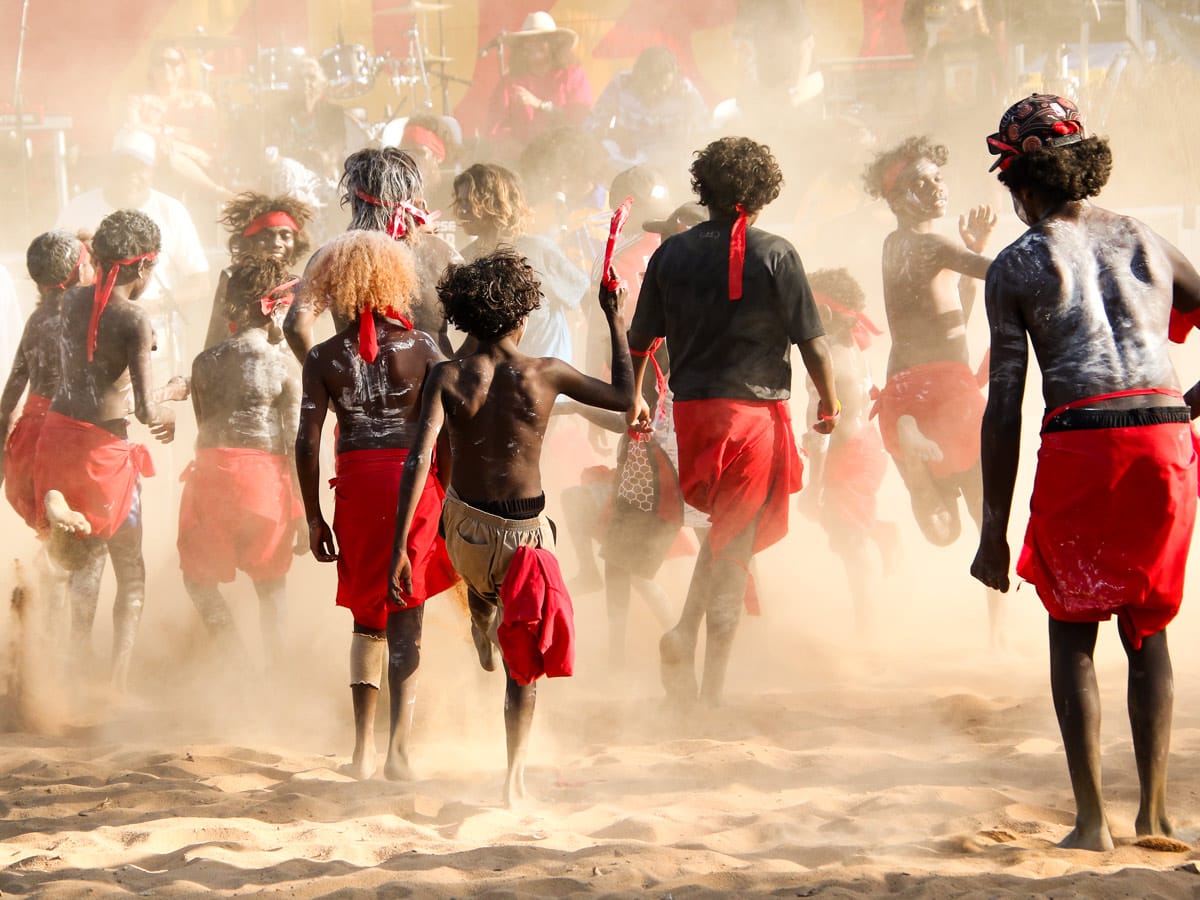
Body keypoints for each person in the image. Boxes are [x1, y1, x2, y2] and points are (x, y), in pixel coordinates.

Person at [971, 94, 1200, 852]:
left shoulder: (1019, 264)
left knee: (1073, 632)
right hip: (1164, 442)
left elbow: (1005, 406)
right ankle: (1157, 812)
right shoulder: (1145, 238)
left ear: (1023, 183)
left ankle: (1094, 821)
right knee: (1148, 628)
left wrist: (993, 535)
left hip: (1083, 440)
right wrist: (1185, 407)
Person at [388, 247, 634, 806]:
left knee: (485, 592)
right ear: (525, 316)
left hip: (465, 530)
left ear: (461, 316)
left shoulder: (446, 376)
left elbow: (418, 459)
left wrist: (402, 544)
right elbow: (624, 400)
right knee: (523, 664)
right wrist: (614, 319)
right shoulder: (544, 374)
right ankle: (514, 778)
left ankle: (481, 614)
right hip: (527, 538)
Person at [627, 136, 838, 706]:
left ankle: (679, 633)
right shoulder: (778, 252)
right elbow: (813, 345)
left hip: (693, 417)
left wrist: (639, 398)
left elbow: (639, 340)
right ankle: (710, 696)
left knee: (721, 534)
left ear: (705, 188)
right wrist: (830, 402)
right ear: (764, 193)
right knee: (734, 547)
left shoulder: (669, 253)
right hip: (753, 420)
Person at [295, 230, 457, 781]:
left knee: (368, 618)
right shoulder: (425, 349)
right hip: (414, 486)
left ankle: (362, 751)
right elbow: (447, 434)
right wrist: (449, 496)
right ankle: (399, 753)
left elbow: (306, 439)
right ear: (397, 285)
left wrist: (314, 515)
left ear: (336, 288)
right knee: (406, 616)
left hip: (357, 488)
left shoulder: (321, 356)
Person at [863, 135, 1004, 644]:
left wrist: (971, 252)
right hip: (948, 393)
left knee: (940, 530)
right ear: (897, 198)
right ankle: (997, 633)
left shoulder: (897, 246)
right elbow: (1006, 277)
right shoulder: (930, 245)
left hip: (905, 396)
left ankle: (917, 458)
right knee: (987, 521)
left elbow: (952, 320)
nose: (936, 188)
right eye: (920, 183)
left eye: (937, 178)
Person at [32, 210, 179, 693]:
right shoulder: (135, 319)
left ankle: (73, 667)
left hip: (56, 439)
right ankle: (114, 683)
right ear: (143, 268)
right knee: (129, 571)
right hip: (102, 451)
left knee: (84, 560)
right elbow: (145, 410)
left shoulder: (67, 301)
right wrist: (175, 399)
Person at [179, 256, 304, 668]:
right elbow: (294, 445)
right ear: (273, 307)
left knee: (198, 581)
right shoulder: (283, 366)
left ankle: (235, 660)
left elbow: (204, 429)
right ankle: (277, 676)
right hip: (262, 484)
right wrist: (306, 516)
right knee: (271, 588)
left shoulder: (204, 362)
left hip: (211, 478)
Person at [284, 148, 460, 360]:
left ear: (354, 204)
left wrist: (324, 380)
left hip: (361, 390)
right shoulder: (441, 253)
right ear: (411, 200)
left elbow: (295, 327)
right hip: (433, 387)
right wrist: (455, 370)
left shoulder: (332, 256)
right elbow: (488, 321)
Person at [57, 130, 210, 372]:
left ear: (152, 171)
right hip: (87, 347)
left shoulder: (171, 210)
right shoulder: (79, 208)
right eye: (123, 166)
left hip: (154, 350)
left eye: (140, 167)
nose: (131, 175)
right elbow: (55, 273)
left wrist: (152, 307)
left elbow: (200, 281)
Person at [799, 268, 896, 637]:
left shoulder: (827, 359)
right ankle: (880, 534)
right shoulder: (850, 347)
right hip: (866, 447)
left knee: (850, 546)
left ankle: (866, 634)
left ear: (822, 314)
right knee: (848, 537)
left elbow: (822, 431)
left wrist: (814, 487)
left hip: (847, 455)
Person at [0, 231, 90, 530]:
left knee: (49, 528)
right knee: (91, 531)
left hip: (32, 435)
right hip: (75, 432)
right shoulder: (93, 318)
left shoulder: (36, 321)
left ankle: (46, 568)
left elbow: (10, 395)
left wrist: (4, 453)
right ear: (81, 272)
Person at [453, 163, 587, 363]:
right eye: (459, 201)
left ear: (495, 203)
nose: (461, 210)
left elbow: (584, 296)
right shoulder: (464, 259)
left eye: (469, 202)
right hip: (497, 380)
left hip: (548, 380)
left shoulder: (538, 251)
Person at [203, 192, 316, 349]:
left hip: (286, 367)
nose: (277, 243)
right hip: (240, 364)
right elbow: (215, 334)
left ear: (296, 241)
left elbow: (306, 339)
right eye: (266, 235)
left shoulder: (297, 284)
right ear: (250, 241)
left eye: (285, 235)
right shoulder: (232, 277)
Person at [486, 12, 594, 161]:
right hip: (522, 162)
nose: (533, 44)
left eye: (540, 39)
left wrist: (540, 105)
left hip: (566, 161)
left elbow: (581, 121)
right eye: (527, 40)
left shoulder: (573, 75)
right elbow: (496, 130)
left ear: (554, 44)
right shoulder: (509, 82)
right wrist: (520, 153)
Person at [586, 46, 709, 170]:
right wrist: (613, 136)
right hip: (626, 161)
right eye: (656, 85)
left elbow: (704, 130)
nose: (662, 90)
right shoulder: (622, 84)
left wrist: (688, 149)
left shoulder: (686, 93)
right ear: (640, 78)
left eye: (666, 85)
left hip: (672, 165)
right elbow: (595, 120)